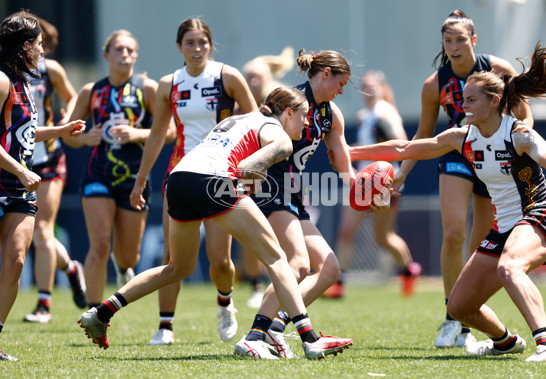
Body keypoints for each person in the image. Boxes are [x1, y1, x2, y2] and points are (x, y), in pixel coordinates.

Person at [78, 87, 354, 360]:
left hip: (179, 180)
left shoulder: (238, 119)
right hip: (214, 181)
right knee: (278, 259)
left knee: (176, 267)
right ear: (289, 112)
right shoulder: (278, 133)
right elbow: (247, 169)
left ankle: (101, 313)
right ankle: (306, 339)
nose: (307, 123)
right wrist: (245, 189)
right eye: (304, 116)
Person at [347, 43, 546, 362]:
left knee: (509, 268)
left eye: (470, 99)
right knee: (458, 307)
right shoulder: (463, 137)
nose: (462, 104)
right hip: (505, 226)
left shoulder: (519, 135)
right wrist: (352, 153)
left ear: (494, 101)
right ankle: (505, 341)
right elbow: (404, 148)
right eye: (462, 98)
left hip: (538, 215)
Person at [392, 10, 533, 348]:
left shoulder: (499, 70)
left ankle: (469, 315)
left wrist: (526, 145)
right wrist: (401, 174)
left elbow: (524, 114)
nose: (454, 46)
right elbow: (423, 135)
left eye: (460, 39)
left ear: (474, 40)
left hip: (496, 157)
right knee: (453, 233)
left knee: (478, 247)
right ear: (442, 43)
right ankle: (451, 319)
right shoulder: (434, 84)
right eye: (448, 40)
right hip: (458, 153)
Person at [129, 18, 257, 346]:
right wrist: (141, 178)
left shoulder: (227, 76)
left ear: (210, 44)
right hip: (181, 175)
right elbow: (159, 133)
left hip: (220, 176)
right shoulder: (169, 84)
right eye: (190, 42)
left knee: (219, 258)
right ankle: (165, 326)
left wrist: (251, 170)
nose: (197, 48)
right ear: (179, 47)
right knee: (172, 259)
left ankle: (225, 302)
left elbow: (255, 121)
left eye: (202, 42)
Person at [235, 49, 357, 359]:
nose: (342, 91)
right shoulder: (289, 101)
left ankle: (273, 328)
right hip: (269, 187)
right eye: (341, 83)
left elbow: (342, 161)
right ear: (325, 74)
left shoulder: (331, 114)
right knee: (298, 264)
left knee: (329, 269)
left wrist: (362, 188)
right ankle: (255, 336)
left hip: (291, 193)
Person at [0, 10, 85, 361]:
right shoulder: (2, 81)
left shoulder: (23, 82)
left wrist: (59, 132)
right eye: (37, 44)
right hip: (11, 178)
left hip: (19, 188)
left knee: (17, 260)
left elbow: (22, 133)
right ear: (24, 46)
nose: (42, 50)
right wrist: (20, 171)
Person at [63, 30, 157, 312]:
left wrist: (137, 133)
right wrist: (84, 137)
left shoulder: (148, 88)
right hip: (97, 174)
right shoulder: (92, 90)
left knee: (128, 256)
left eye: (129, 50)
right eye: (118, 49)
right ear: (107, 55)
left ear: (136, 55)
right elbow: (68, 133)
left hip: (134, 177)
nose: (124, 55)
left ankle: (123, 266)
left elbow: (170, 132)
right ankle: (94, 311)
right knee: (100, 243)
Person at [326, 70, 421, 299]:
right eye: (364, 87)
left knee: (383, 237)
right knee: (345, 232)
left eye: (372, 87)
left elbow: (401, 143)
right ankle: (339, 283)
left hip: (383, 182)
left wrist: (385, 139)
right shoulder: (365, 115)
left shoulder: (385, 113)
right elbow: (367, 144)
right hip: (364, 180)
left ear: (382, 88)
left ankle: (408, 269)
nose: (368, 92)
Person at [23, 16, 88, 324]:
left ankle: (43, 305)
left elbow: (73, 95)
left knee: (43, 228)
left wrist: (69, 114)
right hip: (16, 159)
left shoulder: (50, 70)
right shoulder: (6, 73)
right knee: (31, 234)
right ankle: (72, 269)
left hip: (48, 156)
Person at [239, 46, 295, 308]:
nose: (253, 81)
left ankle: (283, 286)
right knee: (249, 234)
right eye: (248, 76)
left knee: (280, 238)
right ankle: (255, 285)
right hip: (249, 176)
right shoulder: (240, 104)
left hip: (280, 177)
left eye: (257, 76)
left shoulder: (281, 101)